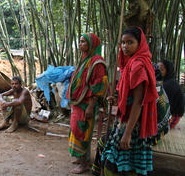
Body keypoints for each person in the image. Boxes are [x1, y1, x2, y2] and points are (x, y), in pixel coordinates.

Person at [98, 27, 158, 176]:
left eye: (130, 42)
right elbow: (129, 95)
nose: (125, 46)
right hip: (127, 121)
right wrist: (117, 99)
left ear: (140, 44)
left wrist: (128, 133)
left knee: (116, 161)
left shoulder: (137, 66)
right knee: (124, 161)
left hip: (133, 125)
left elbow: (138, 102)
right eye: (123, 43)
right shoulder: (130, 64)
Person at [66, 33, 108, 174]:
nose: (80, 44)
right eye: (79, 41)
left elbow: (98, 86)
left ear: (92, 44)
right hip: (78, 103)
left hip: (87, 104)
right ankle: (81, 157)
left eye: (83, 42)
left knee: (83, 132)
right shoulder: (85, 59)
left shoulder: (97, 62)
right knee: (75, 129)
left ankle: (84, 164)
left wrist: (91, 105)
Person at [158, 60, 185, 129]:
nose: (158, 71)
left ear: (168, 71)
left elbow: (163, 107)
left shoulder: (168, 85)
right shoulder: (166, 81)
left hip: (173, 116)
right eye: (157, 68)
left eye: (161, 69)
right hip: (170, 113)